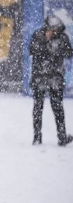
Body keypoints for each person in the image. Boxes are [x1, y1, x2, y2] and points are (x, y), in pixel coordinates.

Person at [29, 16, 73, 146]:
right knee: (38, 107)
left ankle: (62, 136)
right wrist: (45, 41)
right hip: (40, 77)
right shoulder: (38, 35)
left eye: (56, 30)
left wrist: (58, 48)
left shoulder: (62, 38)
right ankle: (37, 137)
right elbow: (32, 50)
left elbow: (69, 53)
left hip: (55, 77)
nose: (54, 32)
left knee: (58, 108)